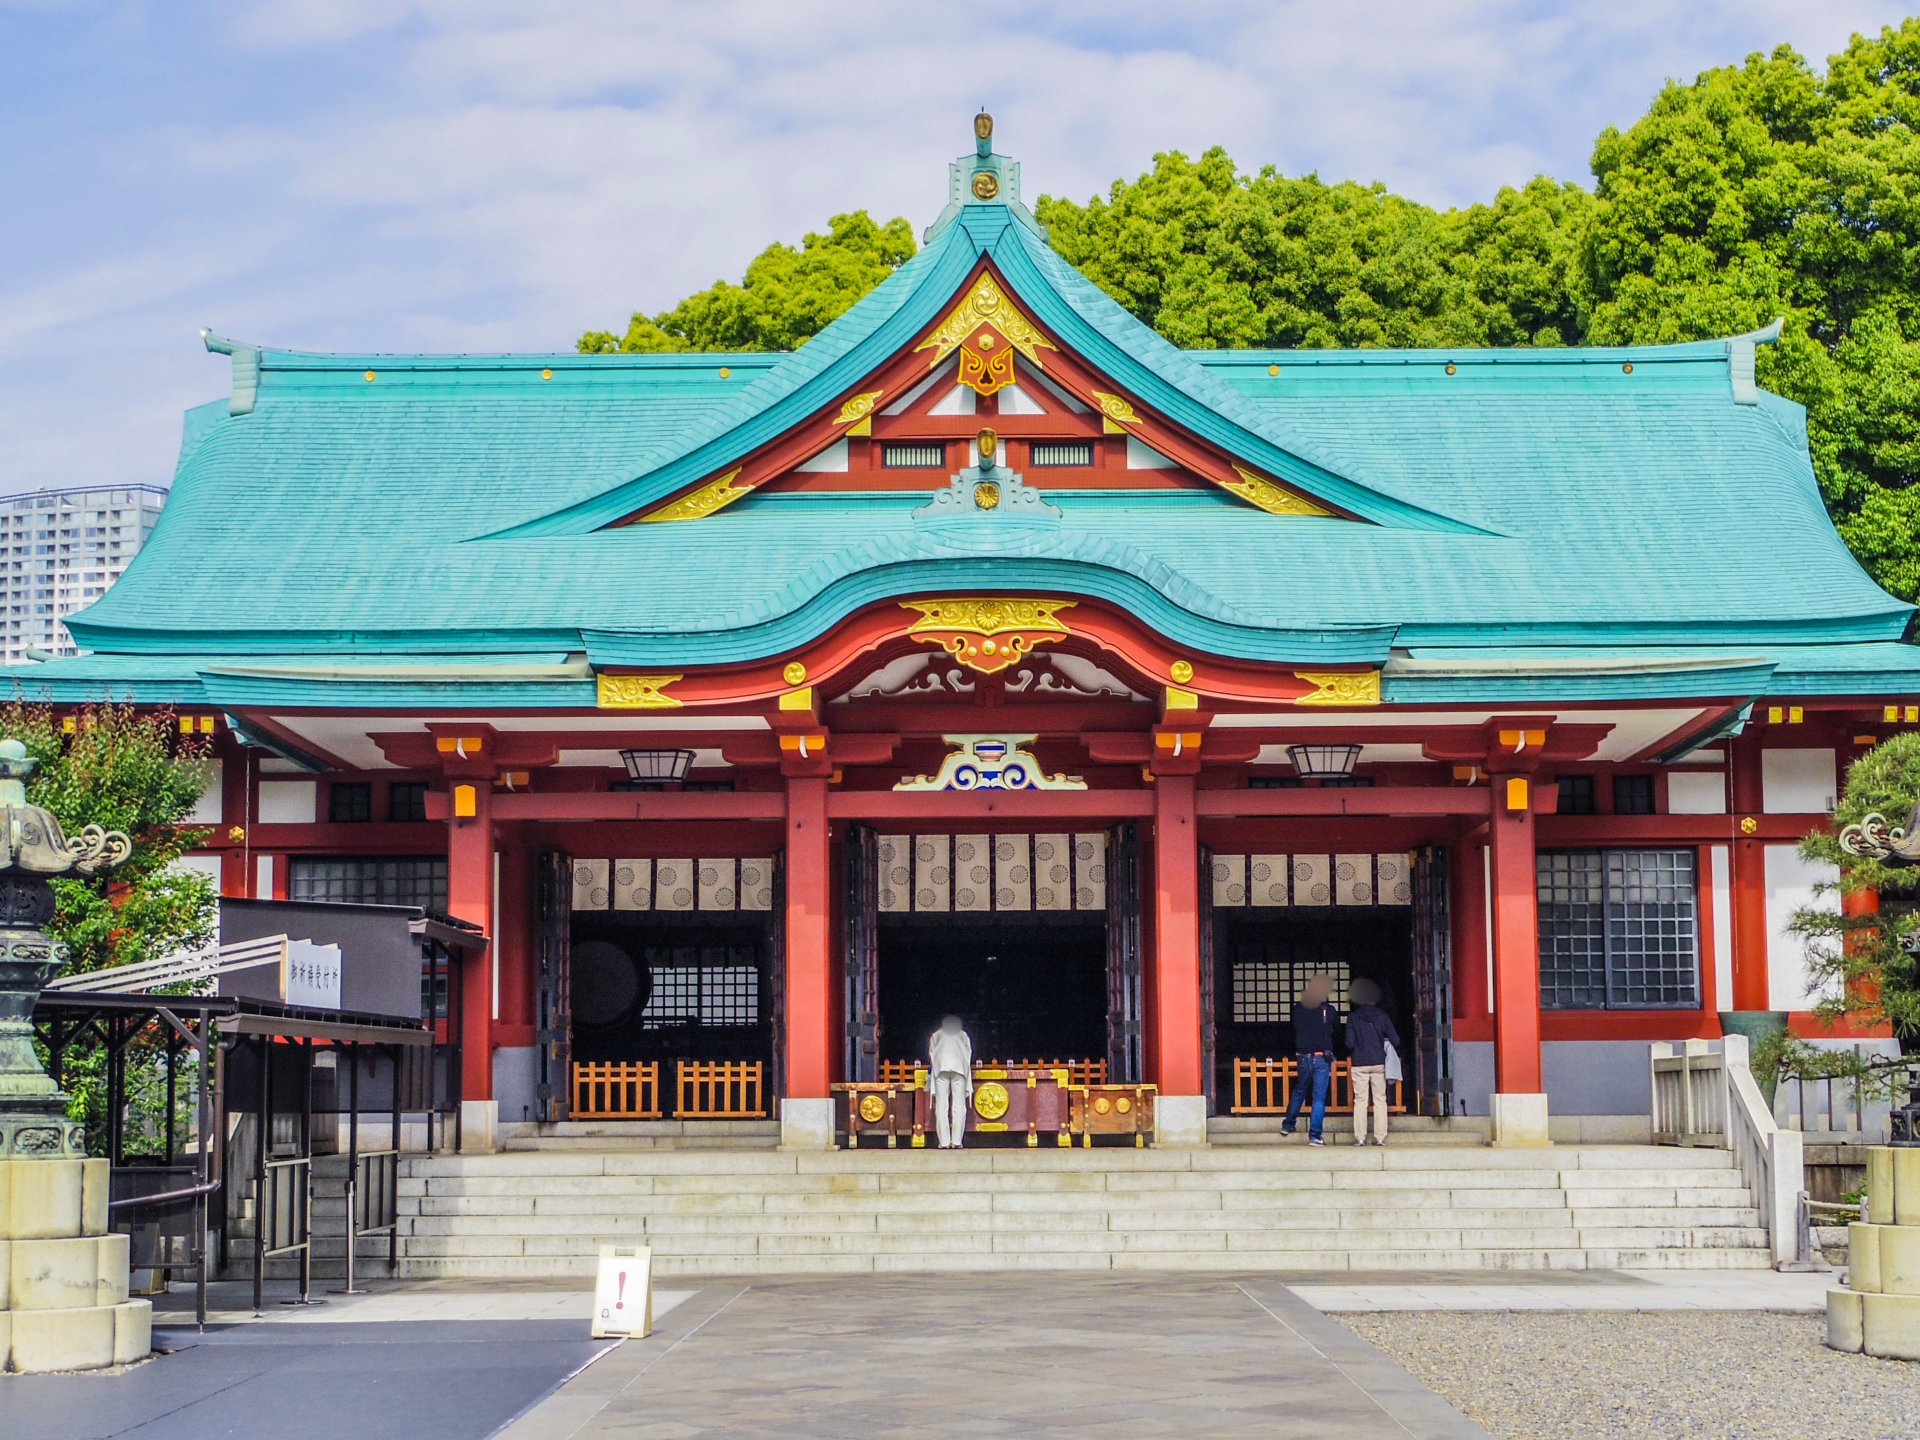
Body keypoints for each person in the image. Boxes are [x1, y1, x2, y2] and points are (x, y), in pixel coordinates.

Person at [1280, 975, 1338, 1146]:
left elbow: (1294, 1028)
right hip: (1321, 1056)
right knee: (1318, 1098)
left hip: (1302, 1055)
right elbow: (1335, 1029)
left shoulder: (1297, 1009)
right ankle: (1315, 1136)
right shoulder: (1329, 1010)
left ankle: (1288, 1124)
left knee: (1300, 1090)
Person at [1345, 978, 1402, 1146]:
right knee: (1380, 1099)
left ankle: (1360, 1138)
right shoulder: (1382, 1016)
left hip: (1359, 1063)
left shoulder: (1353, 1018)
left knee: (1360, 1100)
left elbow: (1349, 1043)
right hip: (1378, 1062)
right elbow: (1396, 1040)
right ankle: (1380, 1137)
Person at [927, 1015, 973, 1149]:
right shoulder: (963, 1035)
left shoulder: (937, 1035)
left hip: (941, 1068)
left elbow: (932, 1053)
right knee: (959, 1105)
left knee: (941, 1105)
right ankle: (957, 1141)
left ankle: (944, 1142)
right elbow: (968, 1053)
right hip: (959, 1069)